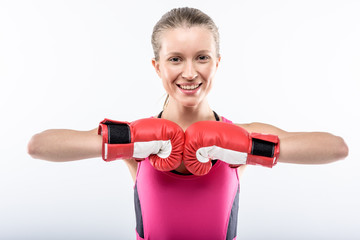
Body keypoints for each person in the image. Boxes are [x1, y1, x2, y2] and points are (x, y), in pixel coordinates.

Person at [27, 7, 349, 240]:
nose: (190, 73)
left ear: (217, 62)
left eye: (202, 57)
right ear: (157, 66)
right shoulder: (133, 140)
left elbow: (336, 149)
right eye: (176, 58)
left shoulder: (242, 135)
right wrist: (131, 140)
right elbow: (38, 146)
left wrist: (245, 147)